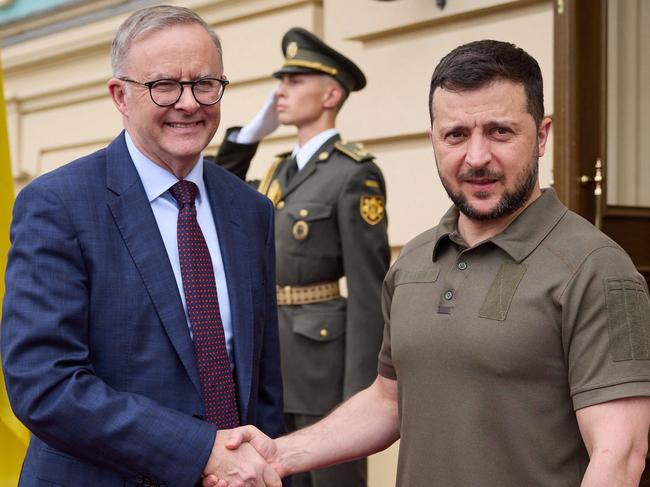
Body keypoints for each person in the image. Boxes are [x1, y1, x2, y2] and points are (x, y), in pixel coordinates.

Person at [207, 39, 650, 487]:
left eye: (500, 131)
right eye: (455, 134)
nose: (476, 157)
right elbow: (388, 401)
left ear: (542, 136)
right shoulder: (413, 262)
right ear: (433, 139)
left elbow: (620, 455)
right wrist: (280, 453)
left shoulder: (597, 268)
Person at [1, 6, 285, 487]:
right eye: (164, 85)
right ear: (121, 96)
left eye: (205, 83)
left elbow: (264, 385)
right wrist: (201, 453)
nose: (189, 103)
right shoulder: (58, 205)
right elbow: (43, 383)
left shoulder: (250, 210)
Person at [213, 27, 390, 487]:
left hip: (325, 366)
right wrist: (249, 136)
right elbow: (215, 194)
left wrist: (363, 394)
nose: (280, 91)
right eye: (281, 80)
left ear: (331, 93)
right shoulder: (277, 170)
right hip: (271, 364)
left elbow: (370, 293)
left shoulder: (354, 174)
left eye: (294, 81)